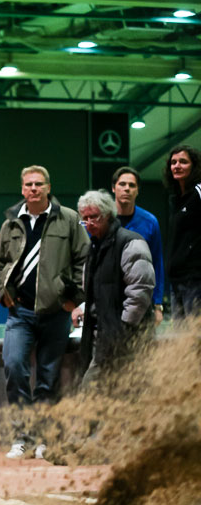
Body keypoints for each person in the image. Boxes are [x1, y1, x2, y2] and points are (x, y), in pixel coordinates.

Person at [0, 164, 89, 459]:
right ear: (22, 189)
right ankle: (21, 436)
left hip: (55, 313)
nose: (33, 189)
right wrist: (3, 294)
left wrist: (74, 298)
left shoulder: (69, 219)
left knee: (47, 379)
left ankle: (44, 438)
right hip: (19, 313)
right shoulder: (10, 224)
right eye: (28, 184)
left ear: (48, 187)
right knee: (14, 366)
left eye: (39, 184)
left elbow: (84, 260)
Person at [77, 190, 155, 387]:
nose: (89, 223)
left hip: (125, 336)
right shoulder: (93, 248)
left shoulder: (130, 242)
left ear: (108, 215)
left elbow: (141, 290)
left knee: (93, 392)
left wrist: (123, 327)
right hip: (102, 335)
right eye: (84, 219)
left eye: (94, 217)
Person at [111, 166, 164, 323]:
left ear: (138, 190)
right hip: (109, 298)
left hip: (141, 299)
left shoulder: (149, 222)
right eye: (122, 184)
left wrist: (158, 304)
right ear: (113, 188)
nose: (127, 189)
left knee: (143, 347)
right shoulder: (101, 220)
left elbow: (157, 263)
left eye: (132, 185)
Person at [162, 145, 201, 319]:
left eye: (183, 162)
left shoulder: (199, 192)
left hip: (195, 280)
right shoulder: (176, 199)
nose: (177, 166)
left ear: (194, 166)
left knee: (196, 339)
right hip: (176, 281)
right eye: (173, 162)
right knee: (181, 341)